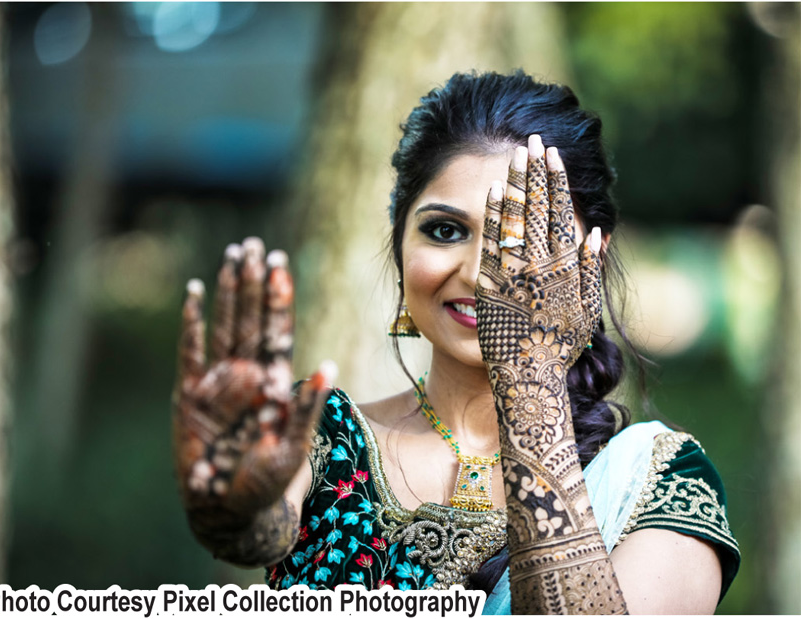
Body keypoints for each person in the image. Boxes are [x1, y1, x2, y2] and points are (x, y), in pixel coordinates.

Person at [172, 71, 740, 614]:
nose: (476, 271)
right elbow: (257, 531)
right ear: (399, 248)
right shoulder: (323, 437)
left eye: (517, 239)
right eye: (445, 230)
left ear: (588, 262)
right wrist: (231, 509)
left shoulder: (660, 482)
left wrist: (531, 381)